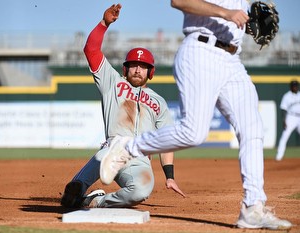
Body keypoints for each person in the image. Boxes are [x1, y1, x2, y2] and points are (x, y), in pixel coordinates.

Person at [99, 0, 292, 230]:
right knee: (194, 133)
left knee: (253, 128)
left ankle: (253, 207)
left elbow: (243, 15)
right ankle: (128, 148)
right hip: (201, 51)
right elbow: (179, 1)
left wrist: (248, 22)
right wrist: (226, 13)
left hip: (232, 59)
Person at [60, 4, 185, 209]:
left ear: (150, 72)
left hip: (140, 159)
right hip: (114, 147)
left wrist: (169, 177)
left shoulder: (158, 102)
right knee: (73, 196)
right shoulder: (113, 83)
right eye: (134, 65)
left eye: (143, 66)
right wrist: (104, 24)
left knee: (141, 190)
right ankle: (76, 189)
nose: (138, 70)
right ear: (125, 69)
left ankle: (95, 201)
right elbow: (91, 50)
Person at [275, 80, 300, 161]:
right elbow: (284, 109)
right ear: (291, 87)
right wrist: (284, 120)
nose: (295, 87)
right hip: (291, 117)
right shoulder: (287, 96)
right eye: (293, 86)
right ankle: (279, 156)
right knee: (285, 136)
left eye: (296, 86)